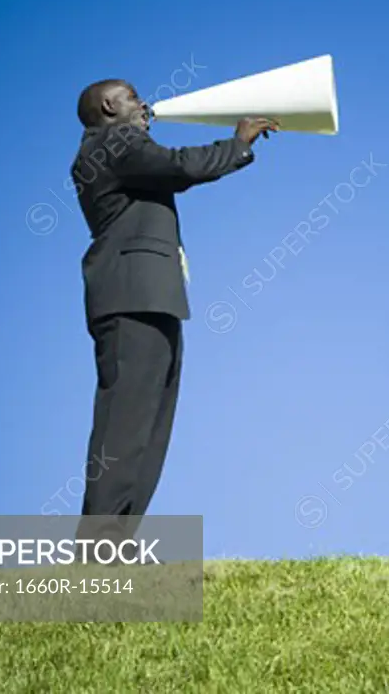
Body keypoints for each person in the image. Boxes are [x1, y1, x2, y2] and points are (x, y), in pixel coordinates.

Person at [68, 78, 278, 552]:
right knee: (125, 428)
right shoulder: (113, 141)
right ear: (108, 106)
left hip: (150, 298)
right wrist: (237, 142)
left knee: (148, 432)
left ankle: (111, 550)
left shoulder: (114, 147)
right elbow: (177, 166)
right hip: (132, 300)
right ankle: (93, 551)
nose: (143, 104)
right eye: (132, 96)